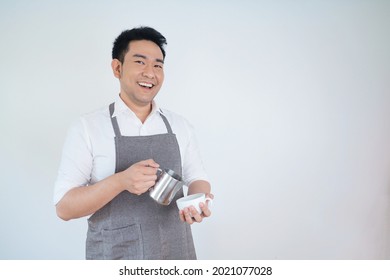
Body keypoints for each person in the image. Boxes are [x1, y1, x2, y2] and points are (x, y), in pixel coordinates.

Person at [53, 26, 213, 260]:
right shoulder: (87, 128)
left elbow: (198, 179)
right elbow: (64, 208)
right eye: (140, 62)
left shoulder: (180, 126)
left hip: (176, 254)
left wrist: (197, 202)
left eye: (158, 65)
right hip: (116, 255)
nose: (151, 73)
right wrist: (121, 181)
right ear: (117, 68)